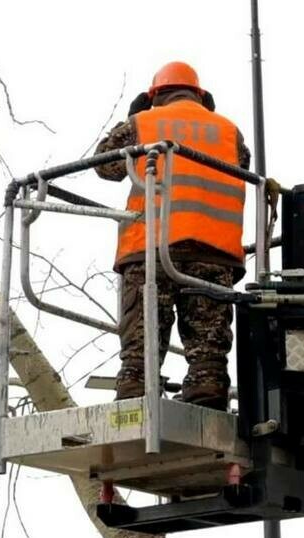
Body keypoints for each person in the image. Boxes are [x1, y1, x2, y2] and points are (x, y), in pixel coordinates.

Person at [94, 61, 251, 411]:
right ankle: (207, 388)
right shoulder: (229, 132)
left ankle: (135, 391)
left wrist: (129, 119)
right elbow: (244, 166)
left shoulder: (144, 123)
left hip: (151, 248)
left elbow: (104, 166)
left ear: (155, 96)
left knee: (141, 343)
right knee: (208, 347)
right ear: (200, 95)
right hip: (213, 253)